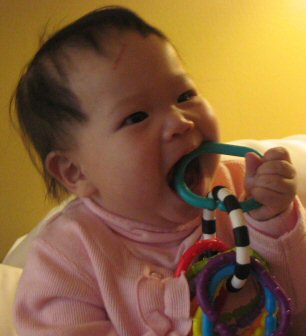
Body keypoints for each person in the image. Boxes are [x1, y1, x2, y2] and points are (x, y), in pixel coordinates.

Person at [12, 6, 306, 335]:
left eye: (185, 95)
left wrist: (274, 222)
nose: (181, 122)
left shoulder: (241, 188)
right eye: (136, 117)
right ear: (74, 172)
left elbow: (297, 301)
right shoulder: (65, 259)